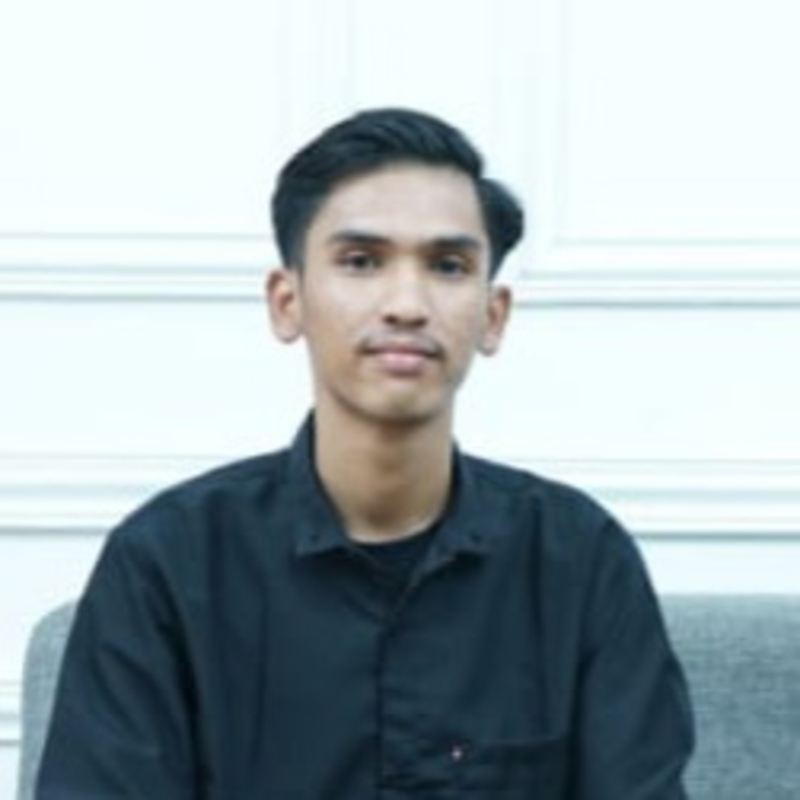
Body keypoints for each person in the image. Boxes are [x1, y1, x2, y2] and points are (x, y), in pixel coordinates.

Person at [36, 108, 694, 799]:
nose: (406, 303)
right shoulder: (169, 562)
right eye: (360, 262)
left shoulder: (579, 559)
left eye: (447, 266)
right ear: (287, 301)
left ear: (493, 314)